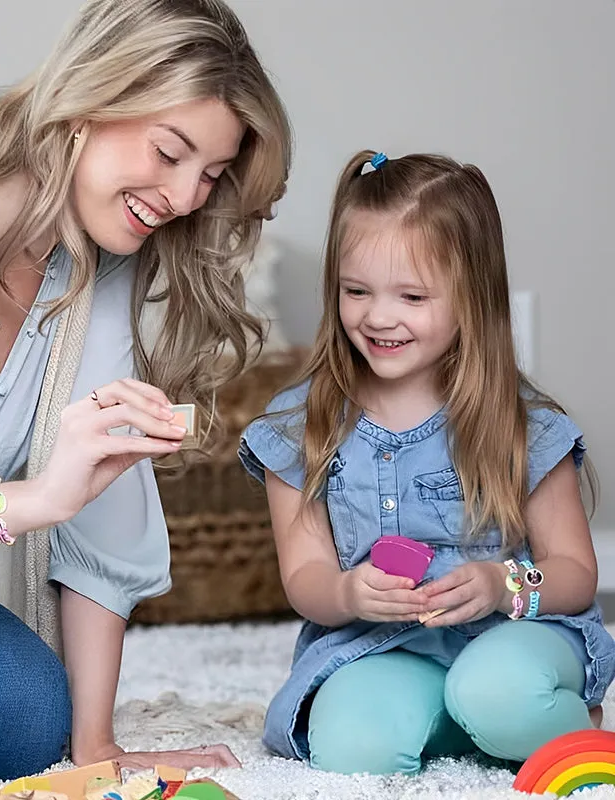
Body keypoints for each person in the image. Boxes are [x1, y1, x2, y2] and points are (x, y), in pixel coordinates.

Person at [0, 0, 290, 784]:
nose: (184, 197)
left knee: (28, 716)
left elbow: (102, 509)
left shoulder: (99, 259)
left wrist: (98, 748)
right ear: (87, 102)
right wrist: (29, 500)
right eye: (170, 152)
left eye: (210, 174)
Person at [238, 150, 615, 776]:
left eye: (411, 296)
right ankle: (479, 728)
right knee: (351, 746)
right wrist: (347, 592)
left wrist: (501, 585)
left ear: (471, 297)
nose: (378, 317)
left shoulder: (521, 422)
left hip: (513, 636)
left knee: (498, 692)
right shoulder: (298, 425)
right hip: (387, 646)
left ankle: (528, 716)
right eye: (356, 291)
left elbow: (574, 571)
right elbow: (306, 576)